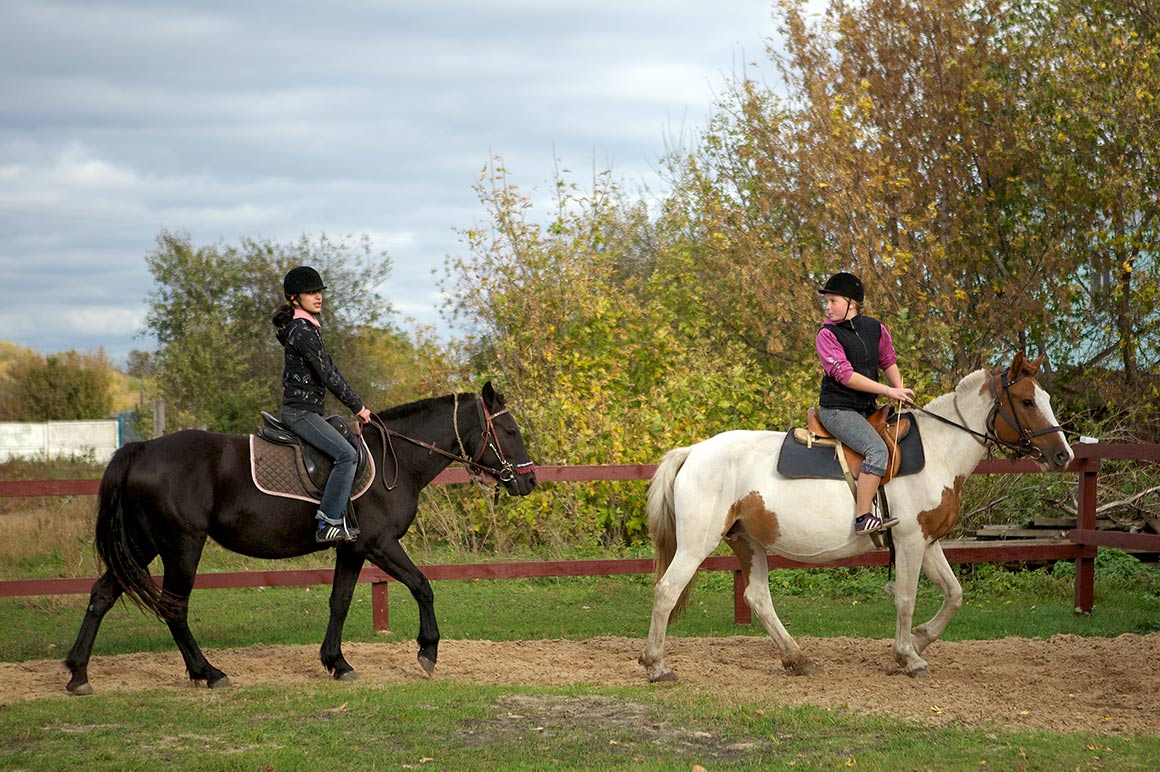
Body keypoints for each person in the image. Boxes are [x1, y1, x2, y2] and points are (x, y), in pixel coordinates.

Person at [272, 266, 372, 543]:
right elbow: (328, 376)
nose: (318, 297)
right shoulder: (302, 332)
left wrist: (357, 404)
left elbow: (331, 369)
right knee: (347, 455)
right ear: (294, 298)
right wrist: (358, 407)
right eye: (311, 292)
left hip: (309, 411)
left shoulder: (307, 330)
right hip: (300, 413)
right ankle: (328, 522)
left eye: (319, 292)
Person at [815, 271, 915, 535]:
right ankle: (863, 518)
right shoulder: (826, 335)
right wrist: (887, 391)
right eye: (826, 301)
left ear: (851, 303)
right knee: (877, 450)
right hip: (838, 410)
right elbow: (845, 376)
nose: (827, 307)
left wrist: (899, 389)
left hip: (866, 410)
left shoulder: (874, 328)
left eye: (832, 301)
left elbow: (887, 360)